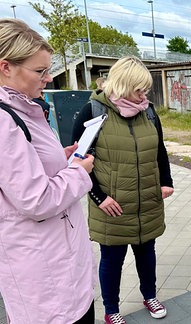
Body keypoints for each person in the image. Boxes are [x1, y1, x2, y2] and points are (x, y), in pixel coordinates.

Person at [0, 18, 96, 323]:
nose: (48, 77)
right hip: (44, 277)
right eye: (40, 71)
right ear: (6, 68)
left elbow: (32, 169)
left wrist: (64, 158)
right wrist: (79, 172)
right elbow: (35, 199)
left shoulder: (25, 108)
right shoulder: (5, 121)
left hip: (60, 260)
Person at [71, 56, 174, 324]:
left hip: (147, 202)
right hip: (112, 205)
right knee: (112, 260)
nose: (144, 95)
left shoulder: (148, 112)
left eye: (145, 90)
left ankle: (149, 295)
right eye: (139, 89)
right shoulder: (92, 112)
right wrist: (99, 198)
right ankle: (111, 310)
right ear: (123, 84)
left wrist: (166, 181)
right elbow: (77, 162)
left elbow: (159, 150)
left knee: (146, 253)